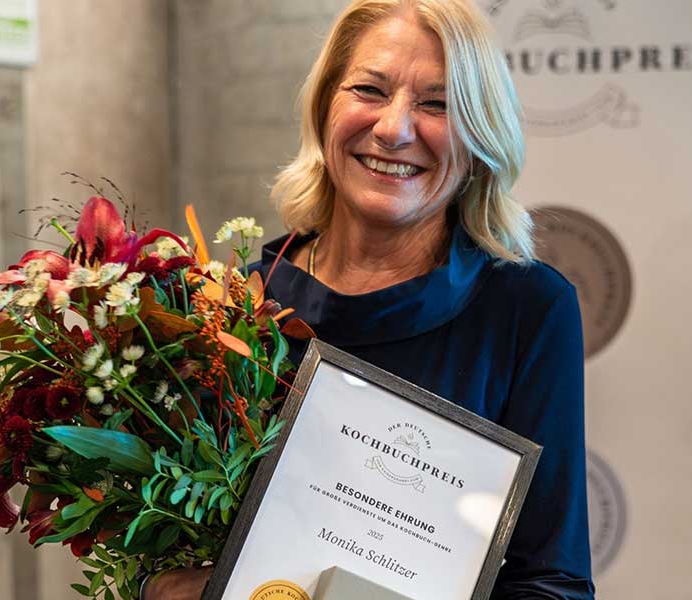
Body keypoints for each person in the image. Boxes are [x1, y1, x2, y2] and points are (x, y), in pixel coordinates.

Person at [146, 0, 594, 598]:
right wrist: (158, 587)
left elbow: (552, 583)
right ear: (324, 107)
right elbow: (150, 540)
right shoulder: (228, 308)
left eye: (437, 104)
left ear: (479, 137)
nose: (393, 129)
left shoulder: (528, 309)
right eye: (369, 90)